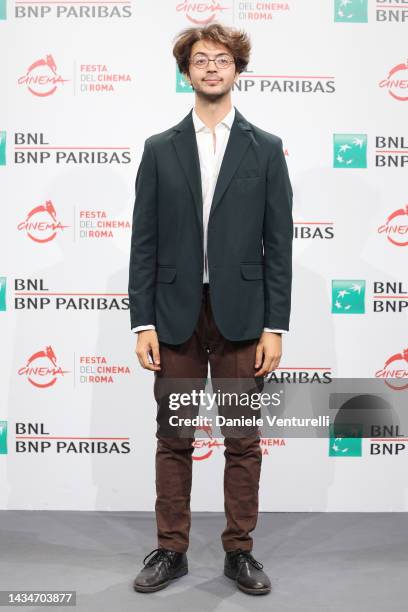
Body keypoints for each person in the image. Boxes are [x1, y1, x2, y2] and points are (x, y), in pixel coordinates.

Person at [128, 22, 293, 596]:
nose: (212, 67)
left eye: (222, 59)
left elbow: (279, 243)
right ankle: (170, 550)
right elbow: (142, 242)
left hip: (244, 316)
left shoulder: (266, 149)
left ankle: (239, 552)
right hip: (173, 314)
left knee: (242, 439)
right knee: (174, 435)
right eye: (201, 59)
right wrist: (141, 320)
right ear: (187, 72)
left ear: (237, 69)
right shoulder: (158, 149)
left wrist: (276, 326)